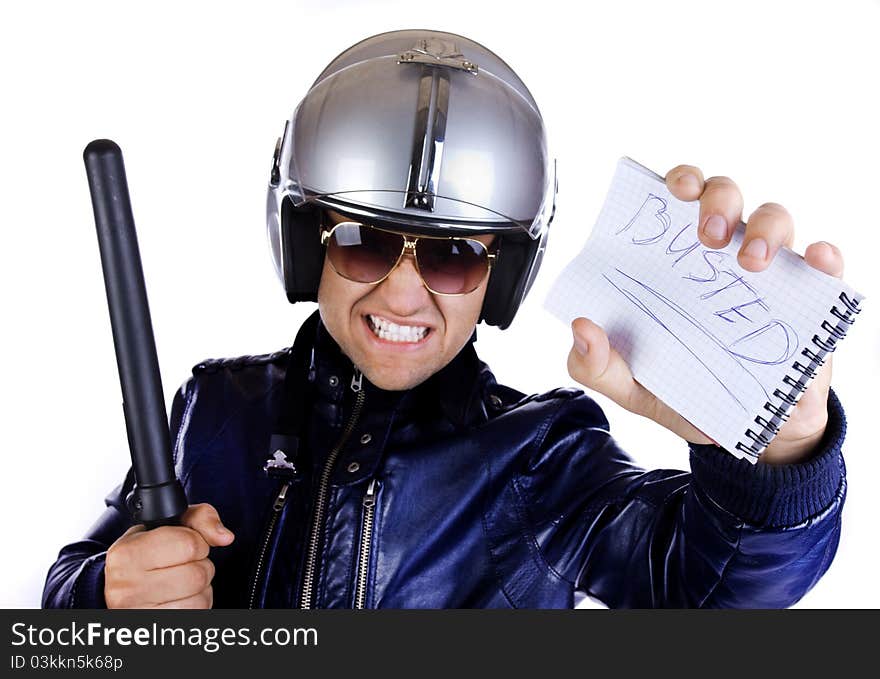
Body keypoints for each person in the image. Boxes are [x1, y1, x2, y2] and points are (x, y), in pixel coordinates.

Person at [43, 29, 847, 609]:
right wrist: (106, 588)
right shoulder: (213, 409)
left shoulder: (543, 453)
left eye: (453, 255)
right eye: (361, 241)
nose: (401, 293)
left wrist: (772, 456)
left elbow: (715, 587)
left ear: (503, 278)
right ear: (302, 242)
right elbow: (64, 595)